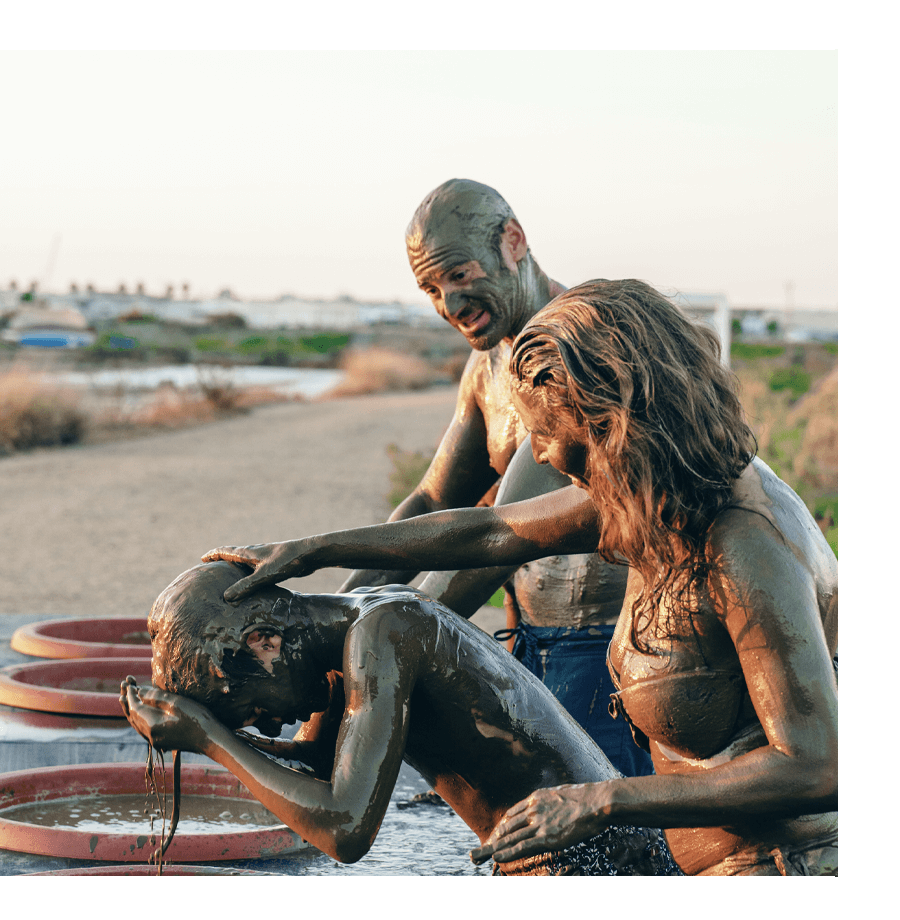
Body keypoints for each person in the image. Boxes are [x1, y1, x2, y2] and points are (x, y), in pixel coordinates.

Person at [205, 279, 839, 876]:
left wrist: (601, 801)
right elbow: (491, 531)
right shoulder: (659, 490)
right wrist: (315, 550)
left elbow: (816, 766)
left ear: (611, 422)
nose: (539, 455)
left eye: (547, 432)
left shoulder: (744, 543)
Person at [337, 178, 650, 776]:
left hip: (617, 655)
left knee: (611, 849)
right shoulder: (489, 365)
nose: (449, 305)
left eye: (458, 275)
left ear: (513, 241)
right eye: (431, 288)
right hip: (529, 647)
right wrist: (336, 611)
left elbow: (499, 537)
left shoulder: (582, 344)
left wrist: (378, 643)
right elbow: (431, 499)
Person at [119, 560, 680, 876]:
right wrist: (202, 733)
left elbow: (345, 829)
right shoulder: (342, 633)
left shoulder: (385, 631)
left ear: (265, 643)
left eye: (253, 710)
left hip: (597, 861)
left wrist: (213, 739)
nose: (267, 728)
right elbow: (318, 770)